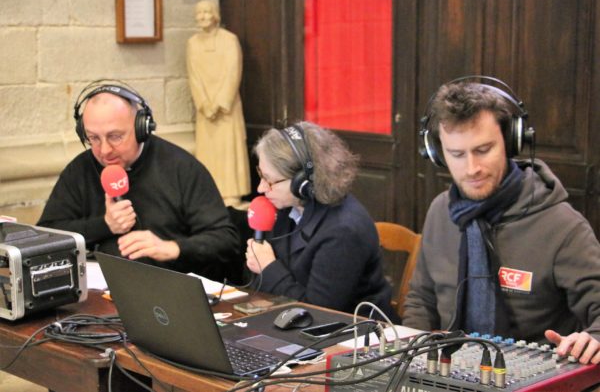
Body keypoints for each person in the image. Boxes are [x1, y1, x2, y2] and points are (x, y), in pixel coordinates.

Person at [403, 79, 600, 365]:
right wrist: (412, 359)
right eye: (457, 154)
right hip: (450, 370)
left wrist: (593, 339)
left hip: (535, 374)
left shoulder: (562, 226)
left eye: (483, 150)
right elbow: (422, 300)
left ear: (511, 142)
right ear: (436, 154)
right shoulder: (440, 212)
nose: (472, 168)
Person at [37, 82, 241, 281]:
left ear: (141, 128)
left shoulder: (181, 168)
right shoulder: (80, 170)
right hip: (105, 290)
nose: (105, 150)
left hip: (172, 287)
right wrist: (105, 225)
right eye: (94, 138)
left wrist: (172, 248)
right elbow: (46, 236)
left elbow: (226, 240)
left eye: (115, 136)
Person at [244, 121, 394, 317]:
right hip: (286, 321)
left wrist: (268, 268)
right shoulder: (284, 207)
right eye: (261, 175)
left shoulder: (343, 231)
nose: (261, 188)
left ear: (302, 183)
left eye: (270, 180)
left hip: (352, 329)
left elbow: (319, 312)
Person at [186, 0, 251, 208]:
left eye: (207, 12)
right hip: (205, 110)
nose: (203, 16)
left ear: (215, 14)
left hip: (226, 108)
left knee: (228, 149)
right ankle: (211, 193)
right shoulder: (193, 43)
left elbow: (233, 71)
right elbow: (193, 76)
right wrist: (205, 104)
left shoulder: (229, 40)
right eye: (199, 13)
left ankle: (232, 194)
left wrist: (220, 102)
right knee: (209, 152)